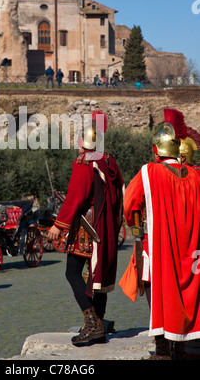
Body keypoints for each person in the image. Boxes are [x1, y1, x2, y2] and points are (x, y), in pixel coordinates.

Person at [124, 108, 200, 360]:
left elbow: (129, 203)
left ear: (157, 150)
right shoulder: (196, 177)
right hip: (191, 251)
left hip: (161, 247)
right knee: (187, 294)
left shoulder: (150, 172)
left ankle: (163, 349)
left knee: (155, 287)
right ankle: (180, 346)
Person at [47, 111, 124, 347]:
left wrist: (58, 225)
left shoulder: (84, 163)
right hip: (105, 226)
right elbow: (121, 193)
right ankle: (98, 325)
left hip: (86, 227)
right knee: (97, 278)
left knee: (72, 273)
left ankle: (92, 324)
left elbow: (75, 198)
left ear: (83, 143)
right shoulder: (110, 161)